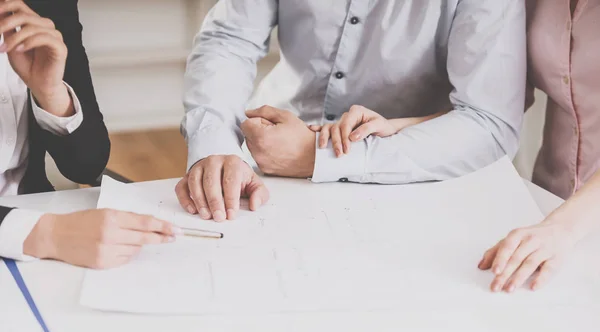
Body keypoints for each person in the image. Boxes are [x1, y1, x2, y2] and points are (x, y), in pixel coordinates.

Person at [176, 0, 526, 223]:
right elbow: (230, 39)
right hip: (267, 161)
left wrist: (317, 156)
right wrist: (215, 142)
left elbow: (490, 124)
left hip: (412, 179)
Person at [0, 0, 177, 268]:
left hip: (31, 224)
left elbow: (86, 164)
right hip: (29, 233)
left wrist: (51, 93)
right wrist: (48, 234)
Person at [478, 0, 600, 293]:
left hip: (567, 225)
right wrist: (409, 126)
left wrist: (562, 228)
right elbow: (500, 102)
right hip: (542, 208)